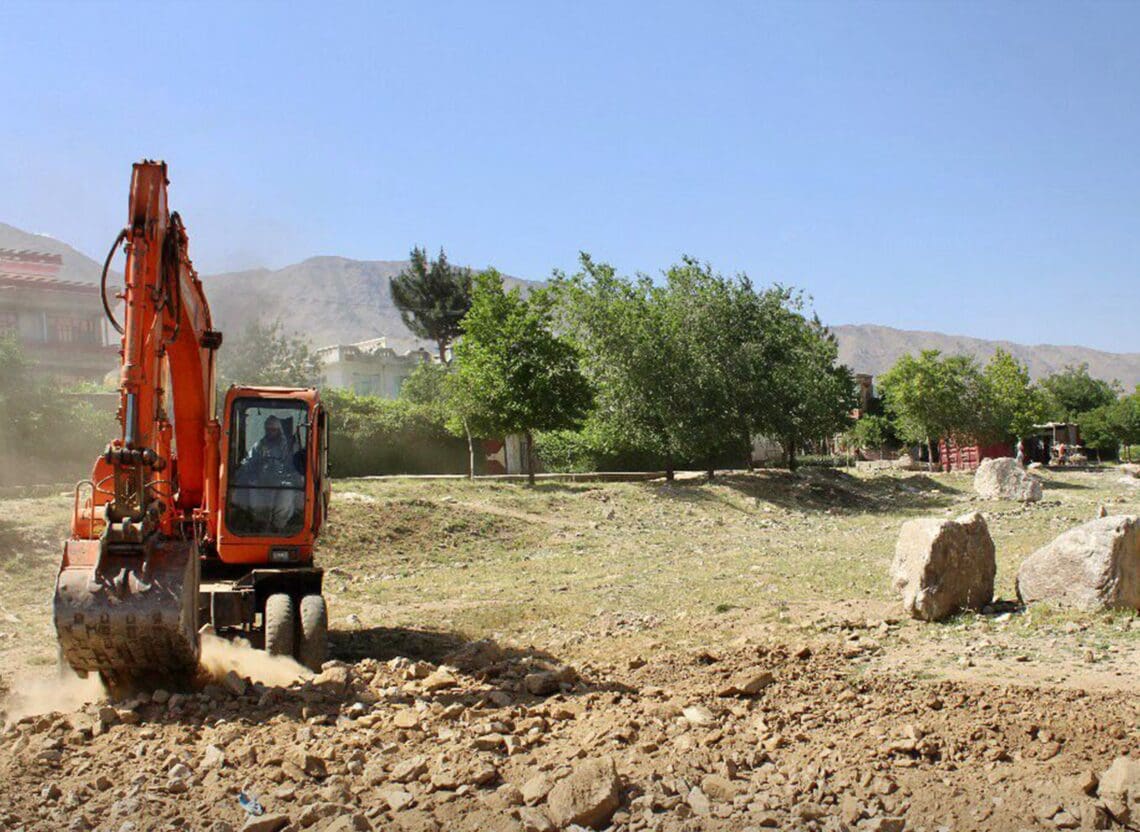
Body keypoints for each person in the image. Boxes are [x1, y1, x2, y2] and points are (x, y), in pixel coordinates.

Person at [236, 415, 303, 530]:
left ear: (279, 430)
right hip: (262, 482)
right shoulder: (259, 446)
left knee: (284, 503)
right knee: (256, 504)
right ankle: (260, 527)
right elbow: (249, 462)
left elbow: (295, 466)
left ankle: (277, 529)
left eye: (274, 430)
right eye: (268, 429)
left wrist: (291, 476)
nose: (271, 432)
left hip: (283, 483)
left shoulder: (290, 448)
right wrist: (242, 470)